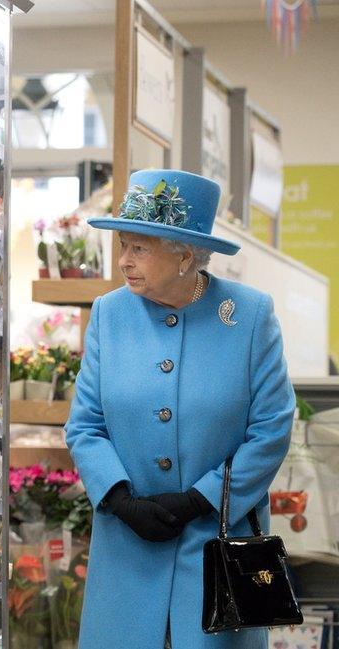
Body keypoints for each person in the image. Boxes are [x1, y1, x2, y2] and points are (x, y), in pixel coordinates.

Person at [64, 169, 295, 649]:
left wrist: (200, 500)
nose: (124, 260)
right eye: (123, 245)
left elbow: (271, 430)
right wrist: (121, 500)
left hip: (218, 546)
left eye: (138, 248)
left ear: (185, 255)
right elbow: (85, 425)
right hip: (128, 545)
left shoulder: (249, 316)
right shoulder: (109, 314)